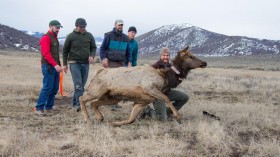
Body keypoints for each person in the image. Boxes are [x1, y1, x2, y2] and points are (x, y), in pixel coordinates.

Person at [141, 47, 189, 121]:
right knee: (162, 120)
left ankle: (168, 112)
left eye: (167, 55)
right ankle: (148, 111)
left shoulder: (172, 67)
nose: (166, 57)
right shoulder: (154, 66)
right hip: (157, 95)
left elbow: (175, 81)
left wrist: (179, 80)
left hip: (167, 92)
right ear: (160, 56)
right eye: (164, 55)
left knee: (185, 97)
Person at [63, 18, 97, 112]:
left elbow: (93, 48)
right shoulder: (70, 36)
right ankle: (80, 105)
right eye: (81, 27)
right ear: (76, 26)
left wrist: (92, 56)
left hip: (85, 64)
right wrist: (65, 64)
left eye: (84, 26)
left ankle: (74, 103)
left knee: (81, 86)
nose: (83, 28)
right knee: (78, 85)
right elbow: (65, 51)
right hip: (74, 63)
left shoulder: (89, 35)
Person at [99, 19, 132, 111]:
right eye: (119, 25)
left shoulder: (125, 38)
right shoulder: (109, 35)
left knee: (120, 84)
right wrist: (103, 59)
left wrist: (129, 62)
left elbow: (128, 52)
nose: (120, 27)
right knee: (112, 83)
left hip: (121, 63)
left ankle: (115, 102)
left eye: (122, 25)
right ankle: (110, 103)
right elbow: (102, 48)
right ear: (115, 25)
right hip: (111, 62)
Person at [35, 20, 63, 116]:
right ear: (51, 26)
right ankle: (39, 108)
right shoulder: (46, 38)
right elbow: (46, 54)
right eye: (57, 27)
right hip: (48, 66)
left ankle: (49, 107)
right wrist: (55, 65)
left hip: (55, 66)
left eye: (59, 27)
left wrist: (58, 64)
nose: (58, 29)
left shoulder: (55, 38)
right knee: (47, 88)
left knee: (55, 88)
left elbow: (55, 54)